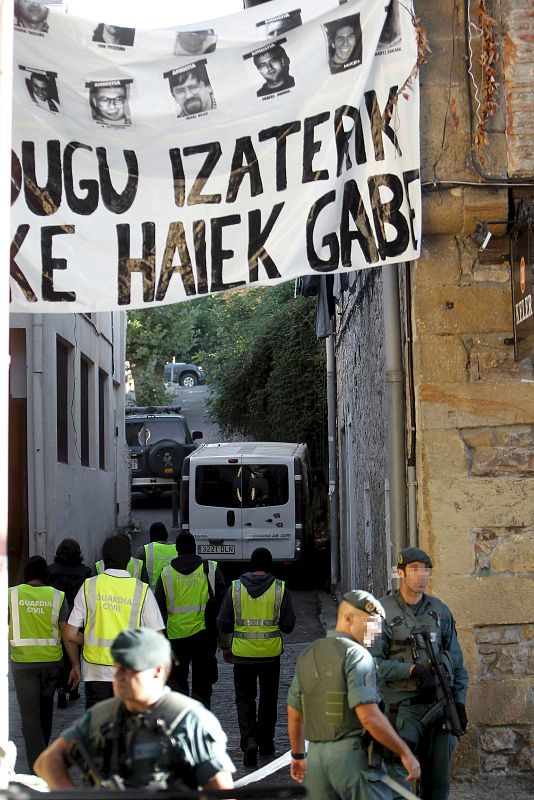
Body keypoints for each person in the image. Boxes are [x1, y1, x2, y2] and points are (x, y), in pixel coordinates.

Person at [34, 628, 235, 790]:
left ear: (157, 671)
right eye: (117, 666)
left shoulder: (188, 718)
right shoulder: (102, 714)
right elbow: (48, 760)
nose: (119, 675)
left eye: (130, 669)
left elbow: (220, 789)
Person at [287, 590, 420, 800]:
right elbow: (368, 715)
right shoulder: (357, 655)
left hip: (316, 761)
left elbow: (294, 712)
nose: (376, 632)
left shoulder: (308, 654)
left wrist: (297, 755)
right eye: (371, 623)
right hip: (352, 758)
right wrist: (404, 752)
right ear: (348, 618)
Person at [370, 548, 468, 800]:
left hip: (439, 708)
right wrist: (411, 669)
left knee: (438, 786)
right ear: (400, 573)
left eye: (425, 570)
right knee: (398, 785)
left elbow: (457, 665)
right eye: (414, 570)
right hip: (402, 712)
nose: (421, 576)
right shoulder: (379, 613)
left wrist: (458, 702)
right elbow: (371, 664)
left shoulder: (440, 611)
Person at [63, 535, 164, 709]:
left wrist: (87, 639)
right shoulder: (142, 591)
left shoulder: (89, 586)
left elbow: (69, 634)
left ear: (104, 559)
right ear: (128, 560)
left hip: (95, 673)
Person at [217, 547, 295, 767]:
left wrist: (225, 646)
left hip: (242, 654)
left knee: (244, 699)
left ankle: (249, 739)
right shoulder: (280, 588)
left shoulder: (235, 588)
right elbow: (288, 625)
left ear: (251, 565)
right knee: (268, 700)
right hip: (270, 654)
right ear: (269, 566)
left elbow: (223, 622)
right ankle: (267, 742)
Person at [9, 556, 81, 772]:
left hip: (22, 664)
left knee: (30, 718)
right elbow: (67, 634)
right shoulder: (57, 597)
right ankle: (42, 759)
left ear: (26, 574)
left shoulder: (11, 595)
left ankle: (37, 766)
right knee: (46, 712)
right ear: (45, 576)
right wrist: (75, 665)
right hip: (51, 664)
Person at [155, 532, 225, 709]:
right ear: (195, 548)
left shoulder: (166, 574)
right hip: (204, 635)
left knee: (178, 682)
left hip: (176, 636)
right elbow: (223, 602)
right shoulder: (210, 568)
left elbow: (158, 610)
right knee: (202, 683)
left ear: (176, 550)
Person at [48, 538, 92, 707]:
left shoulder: (50, 570)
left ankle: (59, 686)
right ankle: (72, 687)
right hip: (76, 617)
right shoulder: (85, 571)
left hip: (56, 616)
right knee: (75, 651)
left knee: (59, 650)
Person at [134, 522, 177, 592]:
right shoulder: (177, 548)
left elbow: (137, 576)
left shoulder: (143, 550)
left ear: (151, 535)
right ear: (166, 534)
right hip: (174, 594)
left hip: (152, 595)